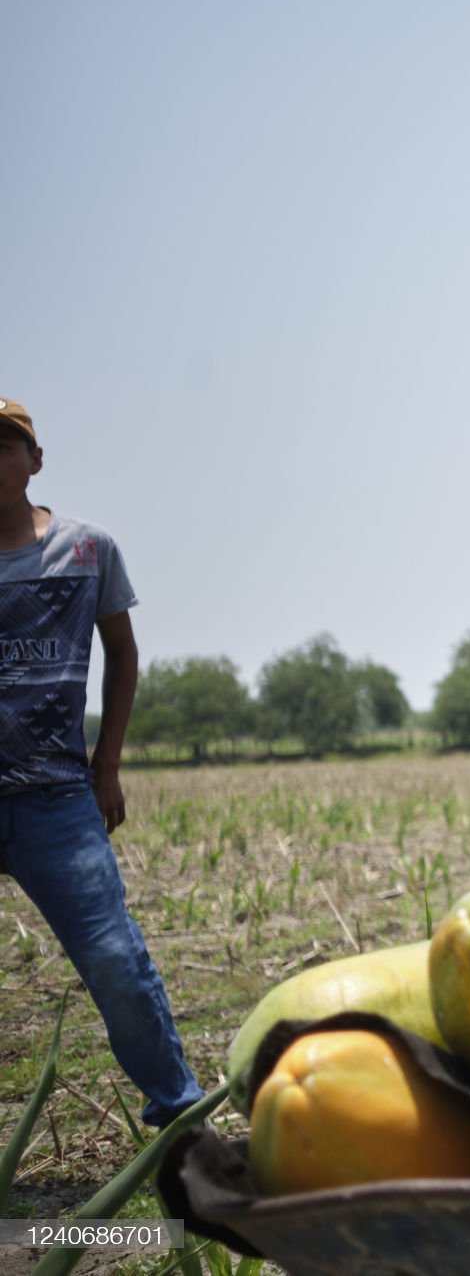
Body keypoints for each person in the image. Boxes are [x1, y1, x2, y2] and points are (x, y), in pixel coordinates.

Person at [0, 397, 205, 1128]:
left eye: (6, 446)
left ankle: (179, 1118)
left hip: (58, 798)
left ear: (35, 459)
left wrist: (107, 764)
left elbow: (123, 652)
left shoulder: (87, 550)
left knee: (117, 964)